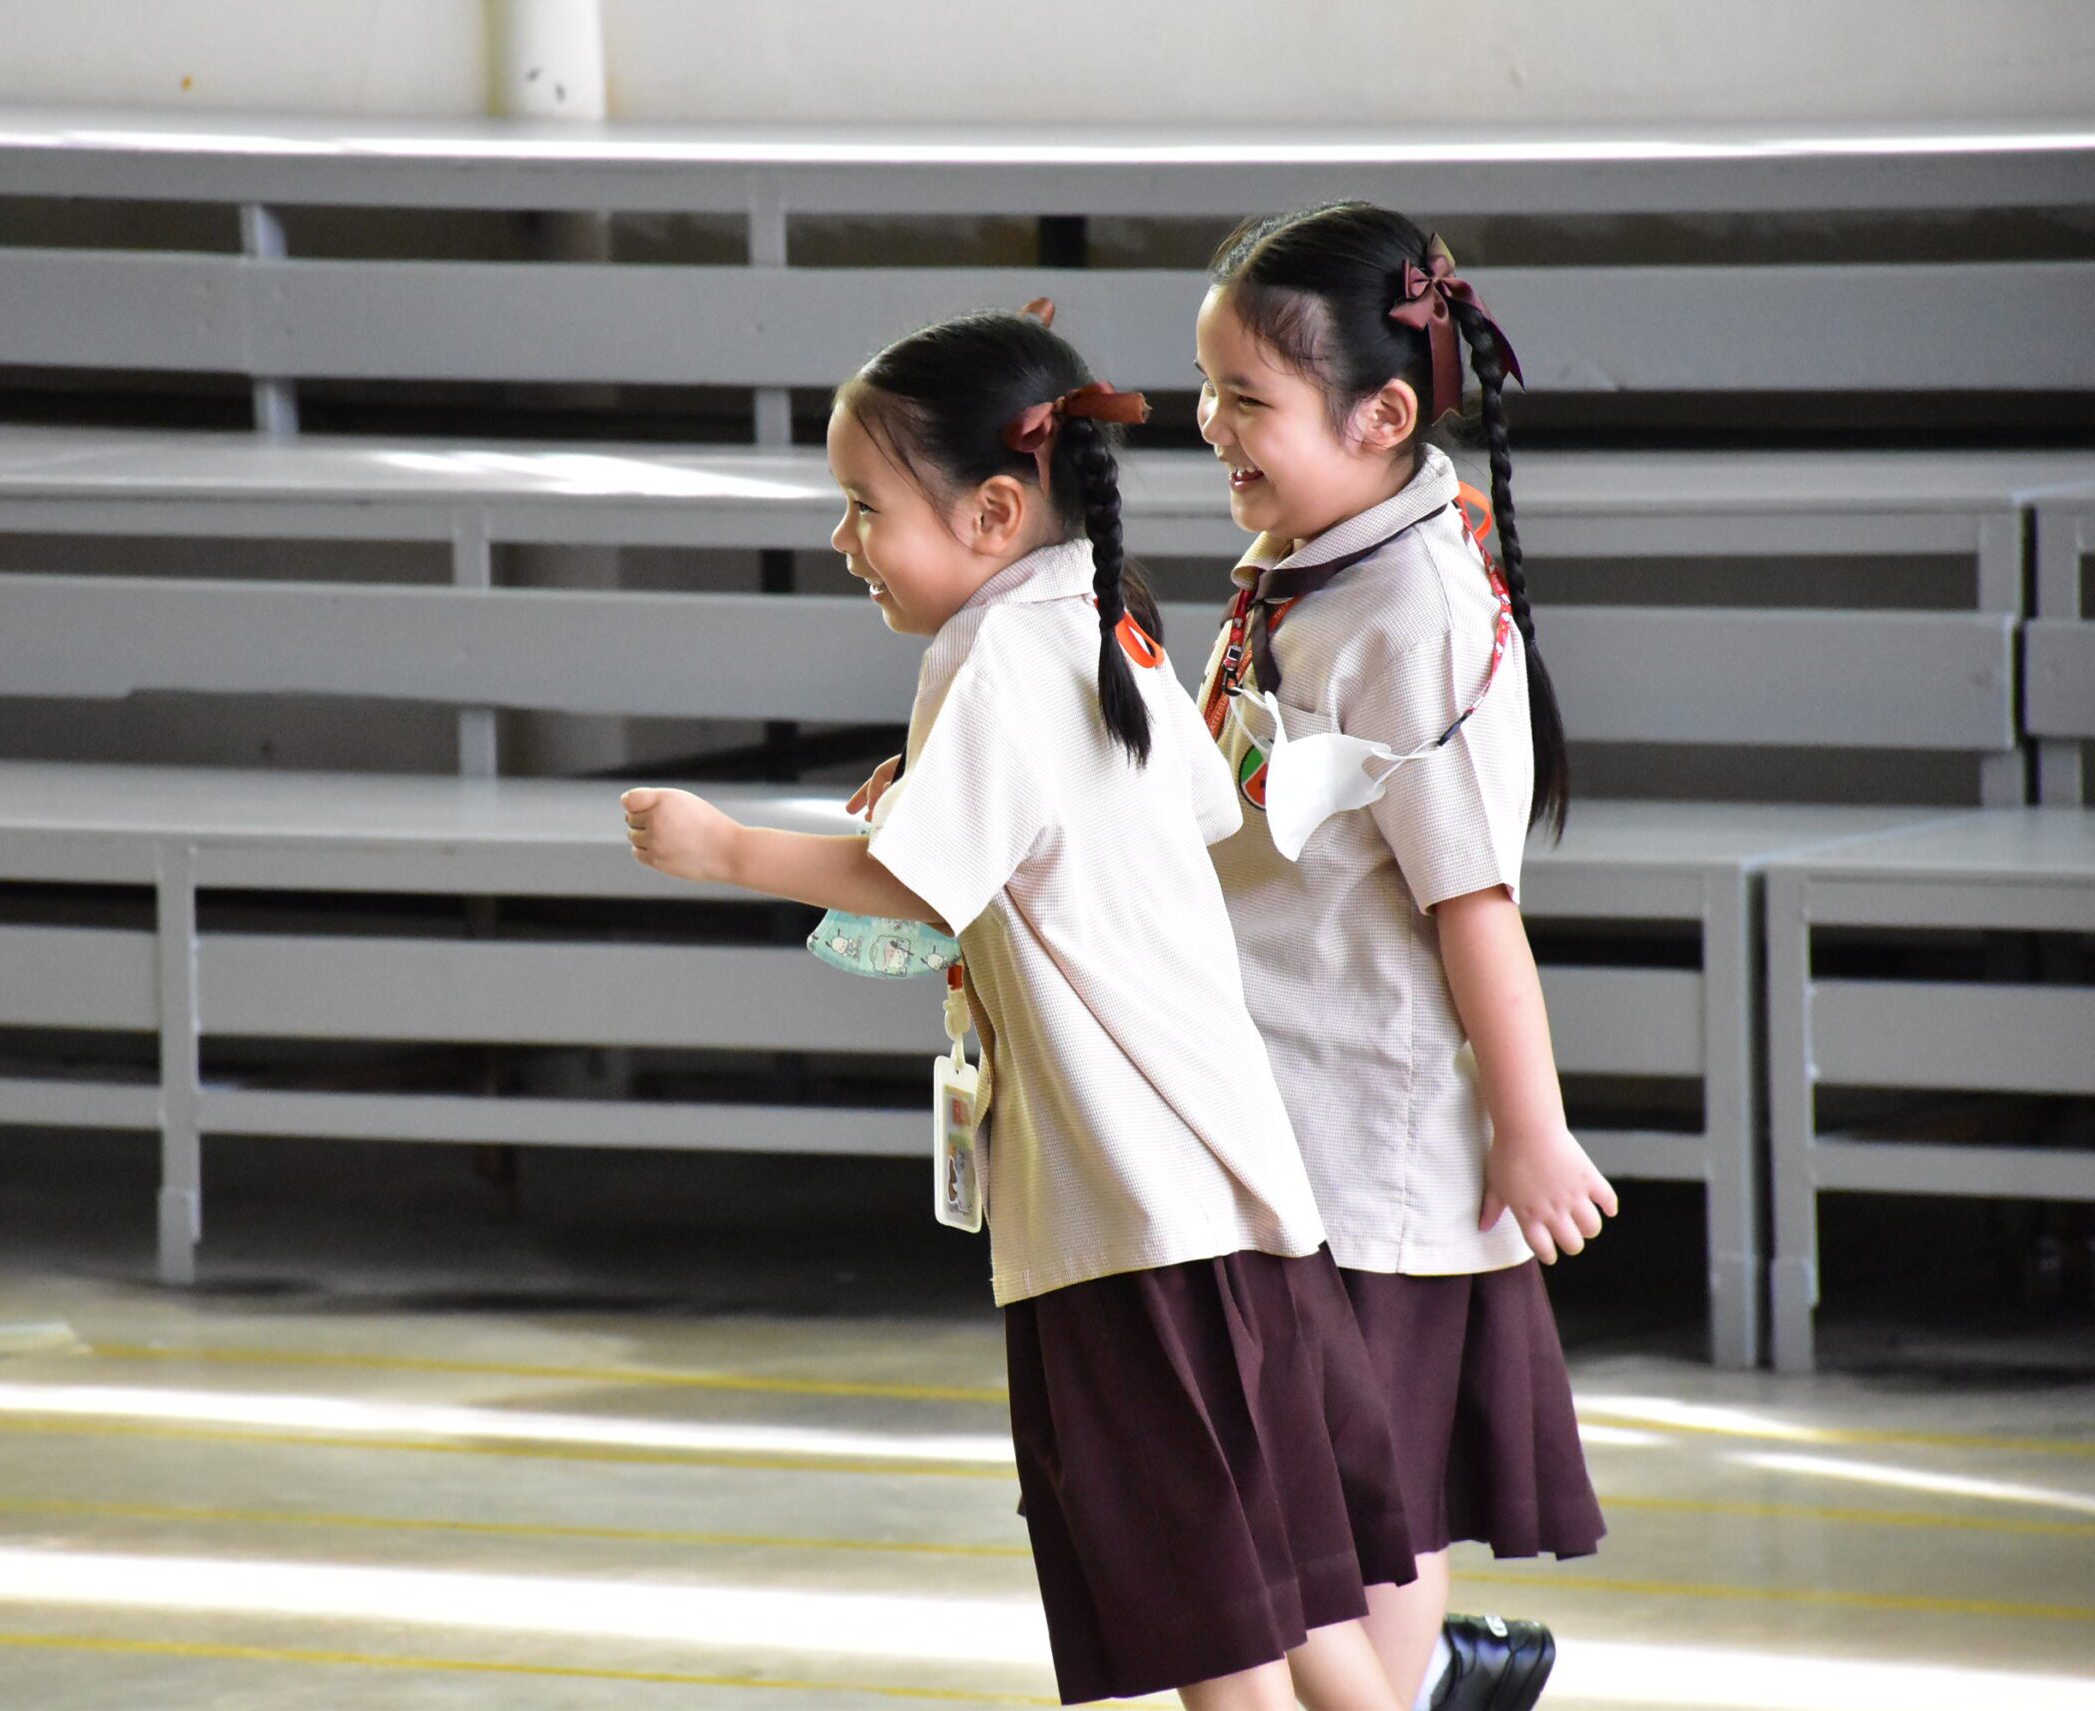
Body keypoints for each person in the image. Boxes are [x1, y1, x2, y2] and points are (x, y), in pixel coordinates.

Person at [624, 306, 1416, 1710]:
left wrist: (726, 847)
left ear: (993, 510)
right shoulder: (1106, 623)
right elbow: (1173, 806)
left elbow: (919, 888)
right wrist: (946, 796)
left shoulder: (988, 657)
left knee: (1217, 1635)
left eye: (865, 506)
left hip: (1128, 1216)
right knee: (1298, 1608)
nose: (844, 539)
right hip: (1234, 1201)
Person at [1191, 201, 1615, 1711]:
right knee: (1341, 1492)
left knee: (1363, 1505)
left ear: (1379, 418)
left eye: (1247, 398)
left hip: (1371, 1141)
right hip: (1286, 1107)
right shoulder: (1305, 560)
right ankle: (1435, 1679)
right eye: (1206, 389)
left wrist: (1531, 1126)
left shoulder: (1411, 613)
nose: (1211, 426)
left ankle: (1419, 1679)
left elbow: (1473, 905)